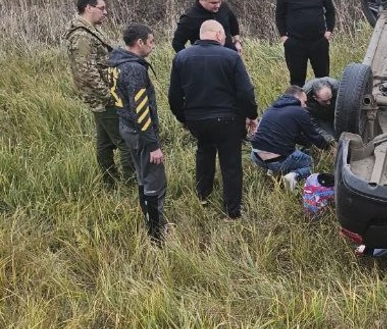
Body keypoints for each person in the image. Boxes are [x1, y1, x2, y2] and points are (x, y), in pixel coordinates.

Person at [168, 20, 258, 219]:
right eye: (224, 35)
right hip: (227, 119)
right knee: (231, 163)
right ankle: (232, 212)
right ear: (218, 35)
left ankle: (202, 196)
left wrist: (183, 117)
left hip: (196, 120)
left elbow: (174, 95)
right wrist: (251, 115)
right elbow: (245, 91)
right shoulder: (231, 57)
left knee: (204, 152)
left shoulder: (181, 57)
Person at [66, 0, 134, 189]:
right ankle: (132, 184)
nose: (105, 13)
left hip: (102, 96)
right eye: (101, 8)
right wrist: (108, 96)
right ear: (88, 8)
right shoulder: (81, 36)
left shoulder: (90, 30)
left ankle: (110, 184)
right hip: (102, 98)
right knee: (125, 141)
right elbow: (85, 72)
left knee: (105, 143)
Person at [107, 23, 168, 243]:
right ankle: (156, 235)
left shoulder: (116, 63)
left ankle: (153, 222)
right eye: (151, 41)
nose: (153, 46)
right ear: (139, 42)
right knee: (154, 181)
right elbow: (140, 110)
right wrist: (153, 145)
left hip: (127, 128)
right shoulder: (134, 69)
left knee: (143, 178)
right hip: (139, 131)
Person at [250, 85, 332, 190]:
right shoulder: (299, 111)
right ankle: (293, 177)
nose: (305, 105)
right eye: (304, 102)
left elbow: (294, 136)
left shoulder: (272, 108)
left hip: (256, 156)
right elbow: (314, 136)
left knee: (294, 150)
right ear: (297, 98)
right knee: (309, 163)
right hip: (277, 160)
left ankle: (272, 172)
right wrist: (328, 149)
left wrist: (308, 144)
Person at [275, 0, 336, 85]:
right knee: (297, 81)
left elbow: (330, 10)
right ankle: (298, 104)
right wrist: (284, 37)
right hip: (295, 43)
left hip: (318, 41)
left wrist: (329, 31)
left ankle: (324, 103)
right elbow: (279, 15)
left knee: (323, 78)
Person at [171, 0, 243, 54]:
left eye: (219, 1)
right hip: (205, 62)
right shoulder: (189, 18)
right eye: (213, 3)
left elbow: (233, 23)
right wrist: (190, 59)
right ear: (202, 0)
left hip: (230, 56)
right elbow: (177, 44)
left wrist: (237, 42)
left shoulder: (223, 7)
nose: (218, 5)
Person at [302, 76, 339, 141]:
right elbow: (312, 124)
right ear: (315, 98)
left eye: (330, 99)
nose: (329, 103)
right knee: (333, 138)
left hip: (338, 113)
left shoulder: (337, 87)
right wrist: (329, 139)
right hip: (320, 118)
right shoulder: (305, 99)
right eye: (325, 101)